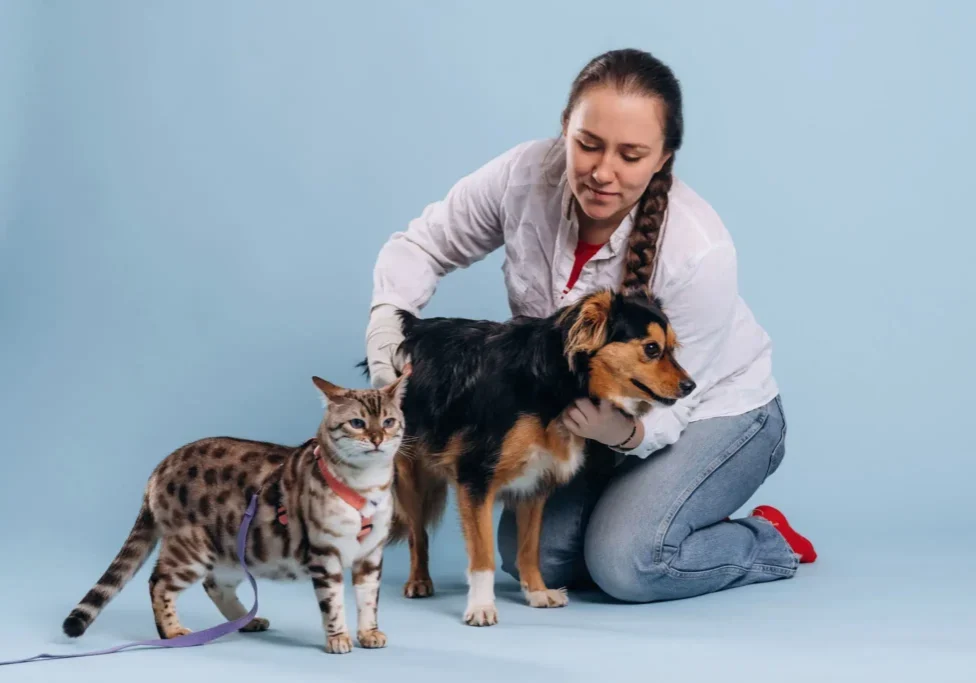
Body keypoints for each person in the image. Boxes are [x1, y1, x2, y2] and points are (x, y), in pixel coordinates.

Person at [364, 48, 816, 604]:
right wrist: (387, 322)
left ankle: (769, 540)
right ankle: (632, 510)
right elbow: (422, 244)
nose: (602, 173)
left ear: (664, 158)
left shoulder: (700, 250)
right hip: (583, 415)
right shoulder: (522, 174)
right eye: (587, 144)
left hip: (713, 410)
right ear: (564, 129)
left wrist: (622, 434)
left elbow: (680, 404)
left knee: (630, 564)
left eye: (631, 155)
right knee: (536, 562)